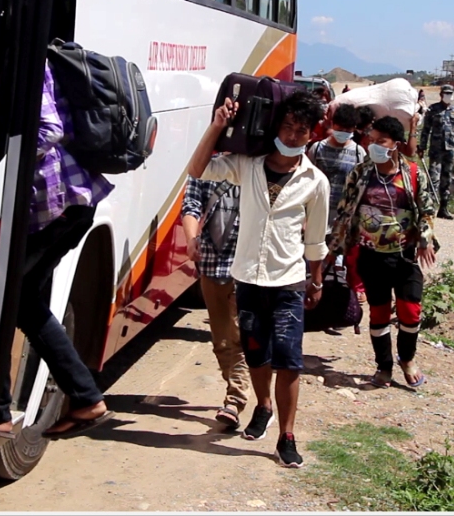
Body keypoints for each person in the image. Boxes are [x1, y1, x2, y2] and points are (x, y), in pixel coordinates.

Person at [187, 89, 329, 469]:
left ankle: (287, 435)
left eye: (302, 129)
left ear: (312, 133)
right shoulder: (247, 165)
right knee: (256, 353)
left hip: (288, 282)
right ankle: (262, 406)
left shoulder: (315, 182)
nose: (294, 135)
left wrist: (315, 280)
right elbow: (197, 170)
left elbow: (316, 239)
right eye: (288, 126)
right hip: (248, 278)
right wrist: (217, 126)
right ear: (276, 127)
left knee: (290, 360)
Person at [0, 57, 115, 438]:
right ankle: (84, 397)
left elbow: (48, 129)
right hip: (66, 204)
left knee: (0, 300)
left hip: (57, 204)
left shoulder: (28, 62)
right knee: (23, 303)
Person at [328, 116, 439, 389]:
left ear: (396, 145)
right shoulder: (360, 173)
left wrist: (424, 239)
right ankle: (384, 366)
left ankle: (408, 359)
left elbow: (427, 210)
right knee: (378, 314)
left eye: (381, 142)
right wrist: (334, 249)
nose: (374, 146)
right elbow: (345, 212)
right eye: (372, 140)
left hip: (405, 255)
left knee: (410, 310)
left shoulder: (412, 173)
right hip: (371, 255)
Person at [181, 172, 251, 431]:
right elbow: (190, 206)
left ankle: (235, 401)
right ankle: (235, 386)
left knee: (239, 335)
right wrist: (191, 241)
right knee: (221, 341)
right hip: (211, 264)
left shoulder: (258, 167)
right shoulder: (206, 168)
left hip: (246, 266)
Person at [306, 103, 367, 305]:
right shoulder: (317, 149)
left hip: (344, 220)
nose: (344, 134)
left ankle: (334, 303)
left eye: (348, 131)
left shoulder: (359, 154)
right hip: (317, 214)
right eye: (340, 129)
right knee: (314, 258)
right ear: (333, 125)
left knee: (339, 262)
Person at [419, 84, 454, 220]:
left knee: (447, 178)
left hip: (450, 150)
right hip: (436, 150)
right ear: (441, 95)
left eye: (450, 93)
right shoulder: (433, 109)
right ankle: (430, 207)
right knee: (434, 178)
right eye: (446, 93)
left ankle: (444, 208)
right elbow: (426, 130)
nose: (448, 96)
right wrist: (422, 147)